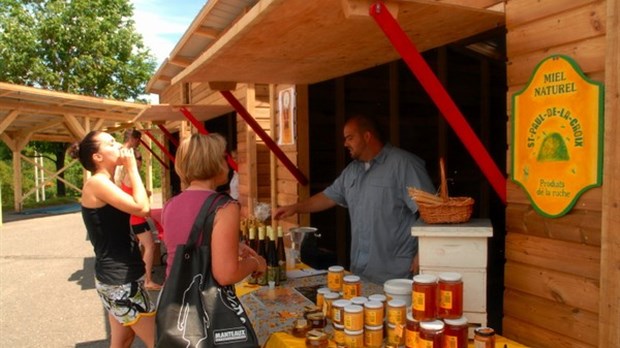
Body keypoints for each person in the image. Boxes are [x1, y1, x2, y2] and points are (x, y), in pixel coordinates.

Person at [274, 114, 435, 284]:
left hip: (396, 275)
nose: (345, 144)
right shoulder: (352, 171)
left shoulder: (404, 165)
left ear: (367, 136)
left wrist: (423, 253)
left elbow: (432, 211)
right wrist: (295, 207)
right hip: (360, 272)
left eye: (350, 138)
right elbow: (328, 197)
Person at [70, 131, 155, 348]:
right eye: (110, 143)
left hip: (119, 276)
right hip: (120, 279)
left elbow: (140, 197)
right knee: (159, 339)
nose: (118, 145)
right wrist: (132, 167)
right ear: (97, 157)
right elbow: (142, 208)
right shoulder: (97, 183)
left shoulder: (107, 182)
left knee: (123, 340)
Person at [161, 133, 266, 284]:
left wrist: (233, 246)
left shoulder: (170, 204)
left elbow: (188, 244)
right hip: (205, 302)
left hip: (175, 297)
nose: (227, 163)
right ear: (213, 162)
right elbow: (226, 275)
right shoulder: (225, 207)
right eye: (223, 157)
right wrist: (256, 263)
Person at [118, 129, 162, 291]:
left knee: (137, 248)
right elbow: (140, 197)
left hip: (131, 217)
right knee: (150, 246)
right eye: (138, 158)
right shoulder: (131, 174)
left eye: (141, 158)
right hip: (137, 217)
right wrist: (147, 192)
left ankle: (139, 278)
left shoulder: (125, 174)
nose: (141, 161)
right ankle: (147, 280)